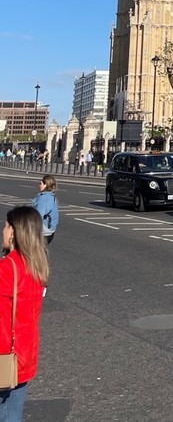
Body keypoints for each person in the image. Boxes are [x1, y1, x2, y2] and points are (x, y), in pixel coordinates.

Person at [0, 207, 49, 421]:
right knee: (13, 412)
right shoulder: (36, 267)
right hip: (24, 353)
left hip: (3, 354)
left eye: (5, 226)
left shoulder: (7, 268)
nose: (2, 230)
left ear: (13, 232)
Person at [31, 175, 59, 246]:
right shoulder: (51, 196)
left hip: (44, 231)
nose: (39, 185)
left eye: (41, 183)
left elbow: (38, 216)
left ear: (46, 185)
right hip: (50, 230)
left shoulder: (44, 199)